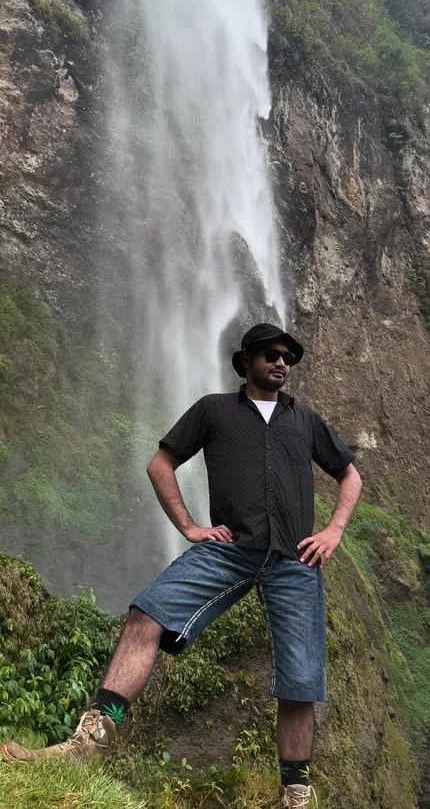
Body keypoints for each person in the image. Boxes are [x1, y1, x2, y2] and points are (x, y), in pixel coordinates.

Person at [1, 323, 362, 809]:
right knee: (145, 614)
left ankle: (295, 797)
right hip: (230, 547)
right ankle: (86, 746)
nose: (282, 362)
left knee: (300, 680)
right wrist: (190, 527)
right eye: (271, 354)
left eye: (289, 357)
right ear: (247, 361)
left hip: (294, 559)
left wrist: (334, 530)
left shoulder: (306, 421)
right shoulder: (214, 410)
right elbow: (159, 464)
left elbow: (349, 475)